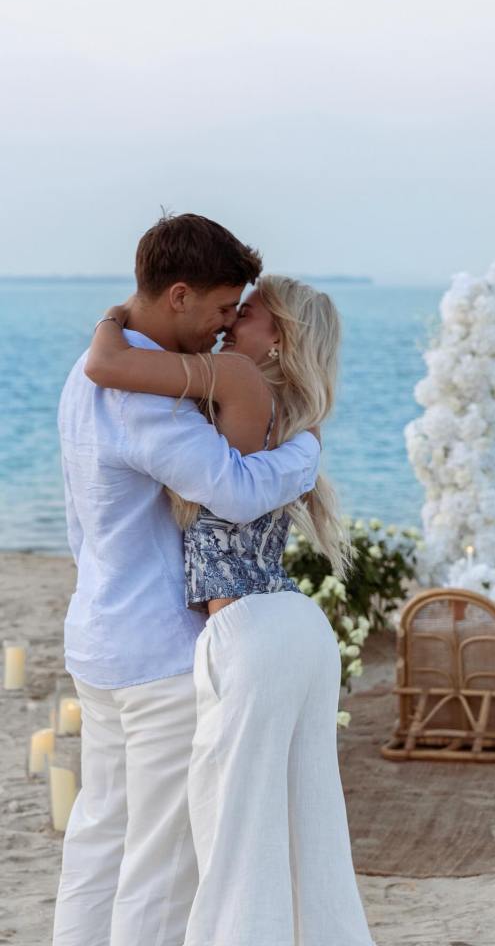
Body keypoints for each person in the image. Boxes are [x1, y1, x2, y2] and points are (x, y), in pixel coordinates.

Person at [53, 214, 322, 946]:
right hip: (159, 657)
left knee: (99, 836)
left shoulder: (88, 374)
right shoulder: (147, 403)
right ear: (177, 296)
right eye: (219, 309)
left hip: (100, 641)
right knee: (161, 864)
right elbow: (232, 490)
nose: (223, 326)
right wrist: (305, 456)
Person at [85, 274, 375, 944]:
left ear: (277, 336)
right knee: (309, 846)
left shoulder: (240, 383)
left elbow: (107, 363)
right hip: (294, 629)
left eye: (244, 313)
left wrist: (119, 312)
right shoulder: (291, 412)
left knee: (235, 849)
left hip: (253, 634)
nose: (227, 323)